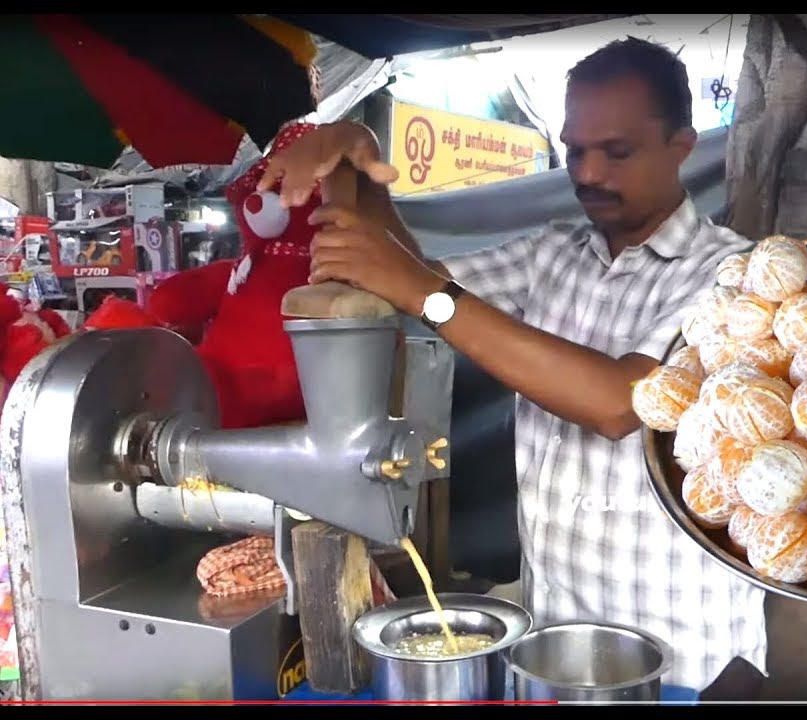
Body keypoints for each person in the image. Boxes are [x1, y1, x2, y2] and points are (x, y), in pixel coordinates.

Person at [258, 37, 768, 699]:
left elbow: (623, 402)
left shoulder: (735, 277)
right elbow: (409, 281)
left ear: (680, 145)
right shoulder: (555, 253)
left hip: (688, 669)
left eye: (617, 151)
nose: (588, 173)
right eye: (575, 149)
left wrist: (425, 293)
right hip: (556, 654)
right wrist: (355, 159)